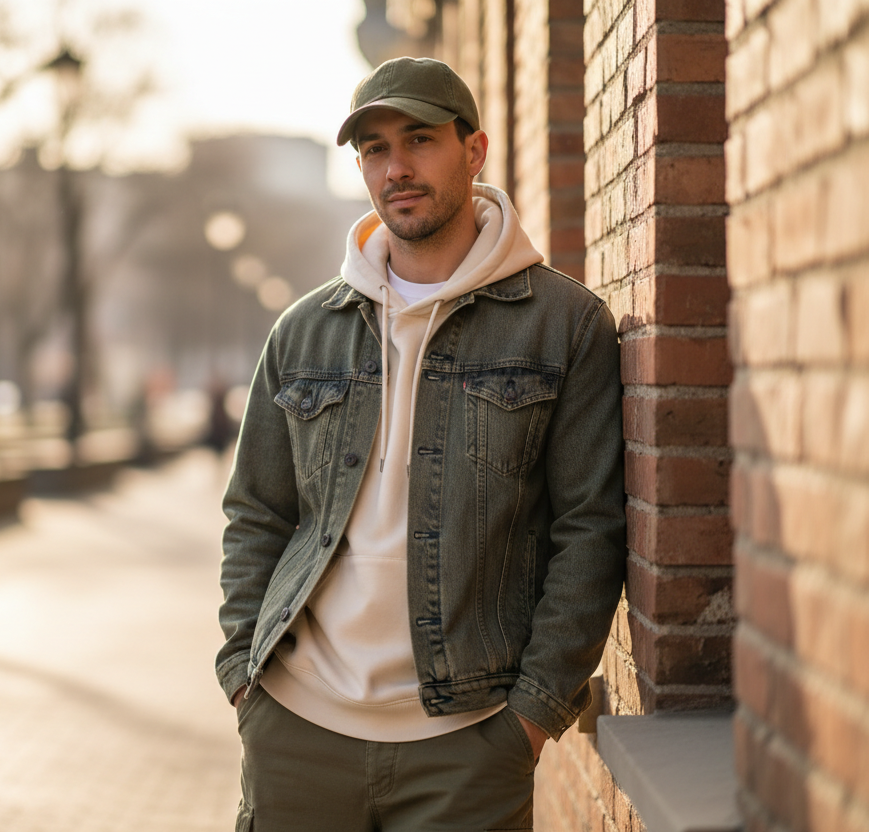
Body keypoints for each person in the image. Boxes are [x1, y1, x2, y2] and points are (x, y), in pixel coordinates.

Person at [216, 56, 626, 831]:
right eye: (373, 148)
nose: (396, 168)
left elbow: (591, 532)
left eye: (418, 140)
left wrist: (531, 717)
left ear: (473, 151)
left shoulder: (562, 324)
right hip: (298, 729)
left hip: (467, 744)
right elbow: (257, 513)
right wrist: (244, 675)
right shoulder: (304, 333)